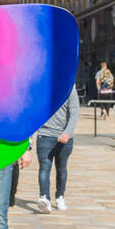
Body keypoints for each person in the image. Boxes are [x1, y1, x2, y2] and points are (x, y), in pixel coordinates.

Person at [36, 83, 79, 212]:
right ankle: (44, 197)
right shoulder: (43, 88)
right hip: (45, 135)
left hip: (64, 137)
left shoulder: (69, 89)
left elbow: (74, 114)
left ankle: (60, 196)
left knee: (61, 169)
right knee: (44, 168)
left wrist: (67, 132)